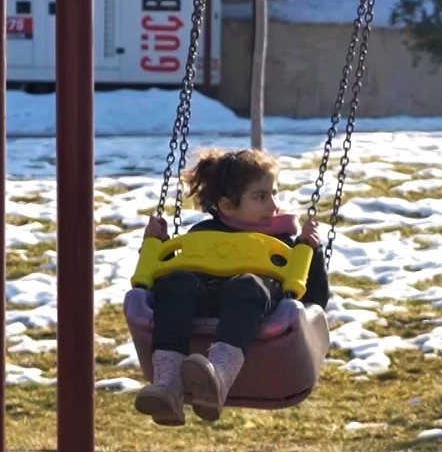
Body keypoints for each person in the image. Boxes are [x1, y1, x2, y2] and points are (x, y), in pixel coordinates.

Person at [134, 148, 330, 427]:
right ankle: (168, 385)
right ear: (227, 206)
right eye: (261, 197)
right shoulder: (203, 234)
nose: (273, 205)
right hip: (205, 300)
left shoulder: (284, 242)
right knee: (176, 282)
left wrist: (311, 250)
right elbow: (158, 293)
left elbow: (315, 301)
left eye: (274, 193)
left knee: (248, 285)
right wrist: (154, 245)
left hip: (249, 312)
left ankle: (218, 379)